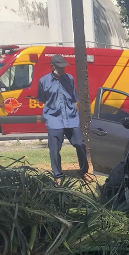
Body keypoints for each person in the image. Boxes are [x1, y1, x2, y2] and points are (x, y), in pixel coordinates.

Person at [37, 54, 89, 184]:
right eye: (60, 67)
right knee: (54, 149)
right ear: (53, 66)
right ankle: (58, 175)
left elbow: (73, 96)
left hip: (71, 118)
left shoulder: (69, 79)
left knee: (79, 143)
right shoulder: (43, 81)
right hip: (54, 120)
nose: (63, 69)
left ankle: (84, 171)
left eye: (64, 67)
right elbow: (42, 99)